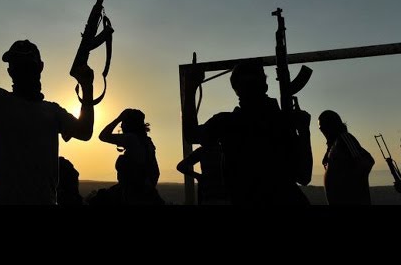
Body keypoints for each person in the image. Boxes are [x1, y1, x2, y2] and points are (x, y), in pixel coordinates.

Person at [0, 3, 95, 205]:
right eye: (18, 66)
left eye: (26, 66)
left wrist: (87, 87)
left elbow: (84, 131)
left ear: (40, 68)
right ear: (10, 71)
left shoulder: (51, 111)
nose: (21, 72)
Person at [183, 58, 313, 205]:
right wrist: (304, 130)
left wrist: (190, 87)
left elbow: (191, 134)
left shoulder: (228, 123)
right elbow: (304, 176)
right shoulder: (281, 120)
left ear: (236, 90)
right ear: (265, 85)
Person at [98, 108, 164, 205]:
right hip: (144, 190)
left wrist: (118, 119)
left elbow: (103, 136)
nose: (121, 125)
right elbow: (156, 172)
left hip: (133, 193)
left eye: (123, 122)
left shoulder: (131, 139)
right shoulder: (147, 142)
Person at [318, 110, 375, 205]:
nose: (323, 131)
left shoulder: (345, 138)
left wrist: (350, 185)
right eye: (321, 129)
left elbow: (367, 161)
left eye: (324, 127)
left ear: (333, 125)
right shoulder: (333, 145)